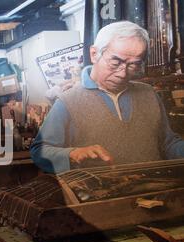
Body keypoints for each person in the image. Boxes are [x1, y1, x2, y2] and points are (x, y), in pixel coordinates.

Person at [31, 21, 184, 174]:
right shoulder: (68, 101)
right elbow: (39, 151)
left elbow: (168, 143)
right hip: (100, 195)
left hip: (153, 192)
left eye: (133, 64)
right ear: (94, 54)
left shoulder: (149, 94)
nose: (123, 73)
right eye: (115, 62)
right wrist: (72, 154)